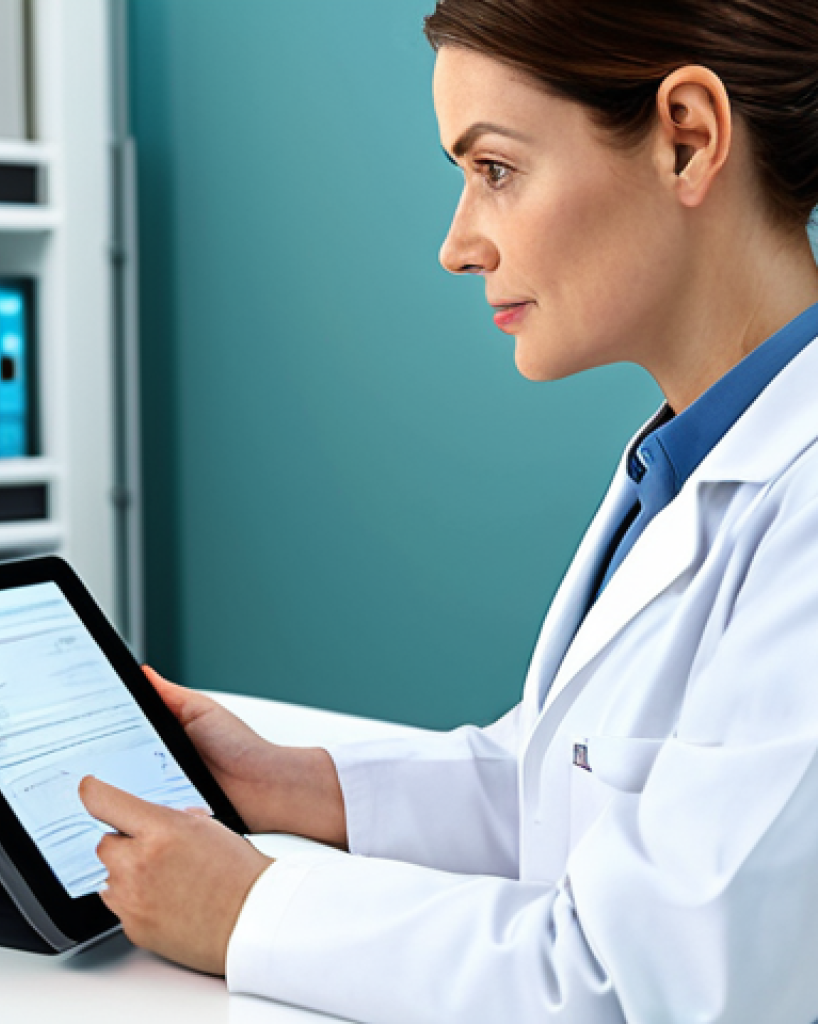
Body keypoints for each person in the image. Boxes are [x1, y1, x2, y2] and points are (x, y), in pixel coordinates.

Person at [79, 0, 818, 1019]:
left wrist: (248, 907)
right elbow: (561, 779)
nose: (458, 244)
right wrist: (281, 780)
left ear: (686, 139)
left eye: (496, 171)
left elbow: (645, 981)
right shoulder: (687, 458)